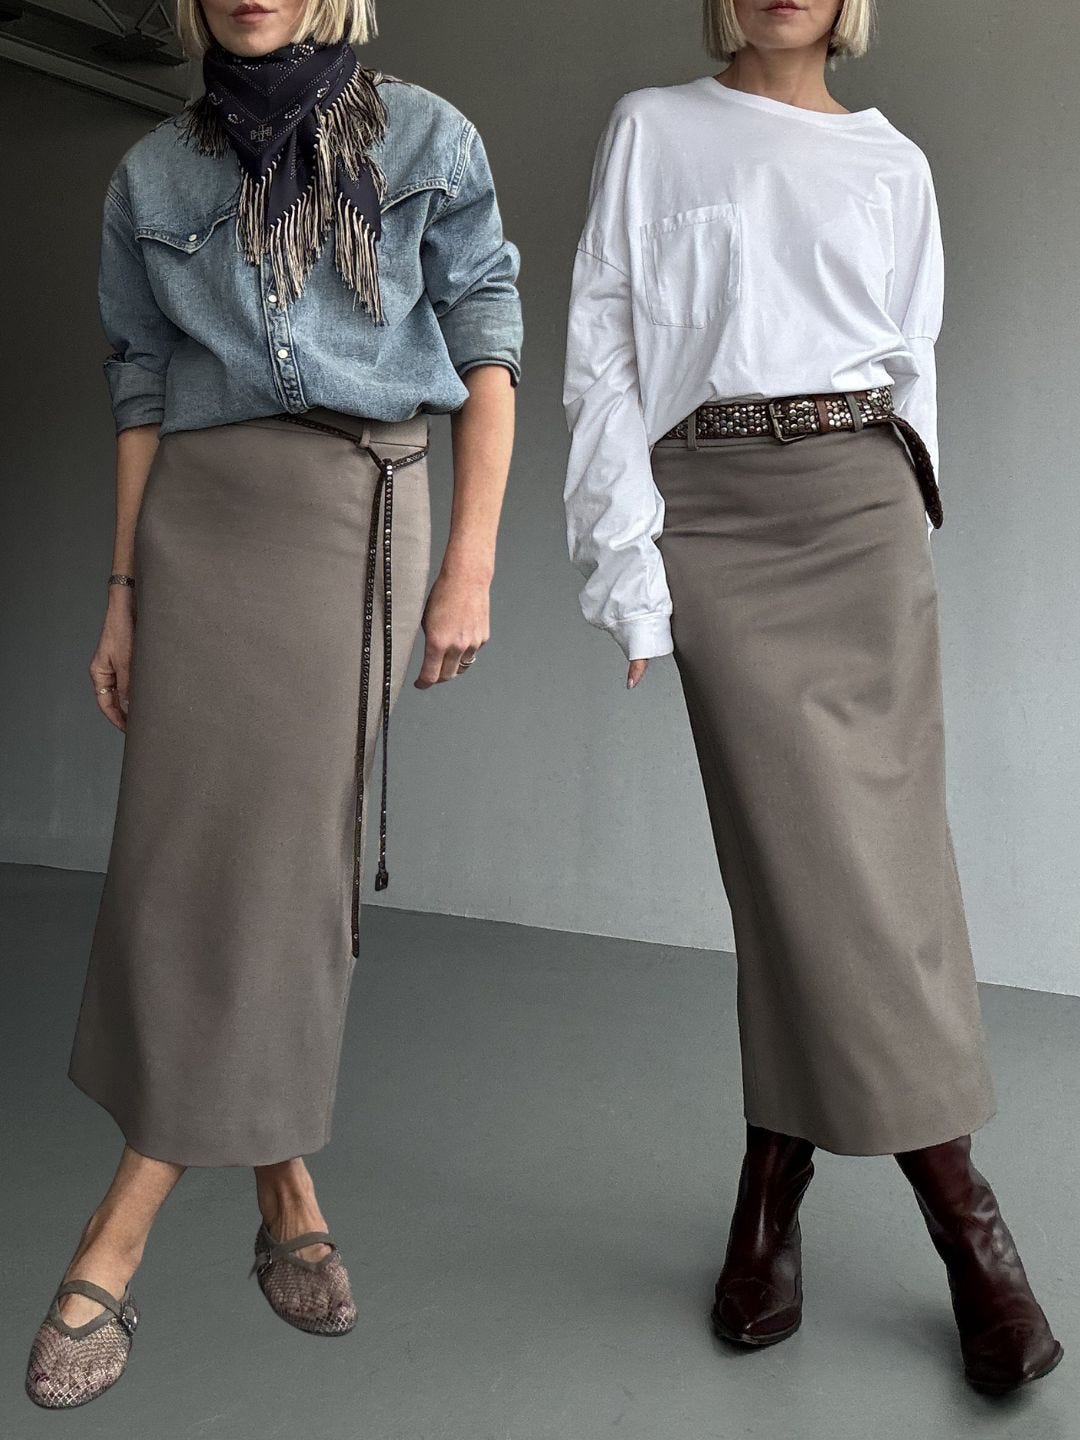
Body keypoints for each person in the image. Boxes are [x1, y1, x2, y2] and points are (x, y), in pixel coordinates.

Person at [26, 0, 521, 1408]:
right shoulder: (151, 175)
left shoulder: (427, 137)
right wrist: (122, 590)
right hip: (200, 523)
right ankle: (284, 1181)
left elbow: (487, 341)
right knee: (187, 856)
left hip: (359, 516)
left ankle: (117, 1229)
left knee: (286, 856)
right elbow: (139, 388)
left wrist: (473, 561)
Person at [561, 0, 1061, 1394]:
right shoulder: (655, 129)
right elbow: (603, 350)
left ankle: (773, 1194)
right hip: (713, 512)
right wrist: (627, 560)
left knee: (881, 876)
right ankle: (965, 1220)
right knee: (799, 867)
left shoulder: (893, 162)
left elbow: (914, 359)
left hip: (860, 509)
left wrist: (908, 522)